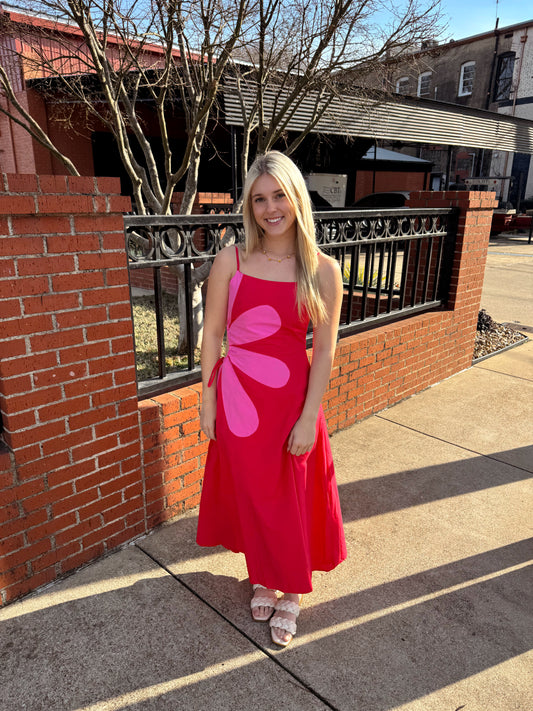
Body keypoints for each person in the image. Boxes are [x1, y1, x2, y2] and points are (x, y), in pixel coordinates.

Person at [196, 151, 347, 647]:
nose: (270, 208)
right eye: (259, 199)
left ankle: (292, 590)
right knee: (253, 494)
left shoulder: (322, 270)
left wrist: (309, 417)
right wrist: (208, 401)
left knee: (291, 497)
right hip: (239, 400)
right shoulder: (232, 260)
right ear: (250, 206)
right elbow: (212, 334)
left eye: (279, 195)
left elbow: (324, 352)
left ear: (296, 197)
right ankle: (262, 576)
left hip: (290, 405)